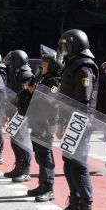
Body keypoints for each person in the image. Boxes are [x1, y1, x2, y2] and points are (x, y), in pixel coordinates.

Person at [53, 29, 99, 210]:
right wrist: (62, 121)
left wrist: (75, 124)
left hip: (79, 122)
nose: (63, 50)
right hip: (70, 120)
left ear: (75, 45)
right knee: (69, 163)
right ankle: (75, 203)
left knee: (79, 165)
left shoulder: (84, 67)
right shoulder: (72, 65)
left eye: (66, 46)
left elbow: (83, 100)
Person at [27, 50, 62, 202]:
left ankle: (49, 188)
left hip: (47, 122)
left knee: (46, 154)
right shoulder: (43, 78)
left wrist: (35, 90)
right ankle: (42, 184)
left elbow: (50, 100)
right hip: (37, 120)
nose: (42, 66)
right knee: (39, 154)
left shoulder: (54, 81)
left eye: (45, 64)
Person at [3, 50, 33, 182]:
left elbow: (27, 97)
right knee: (15, 141)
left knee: (23, 141)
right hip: (15, 112)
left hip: (23, 114)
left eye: (12, 60)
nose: (9, 63)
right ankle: (18, 167)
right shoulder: (16, 74)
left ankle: (25, 170)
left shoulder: (26, 75)